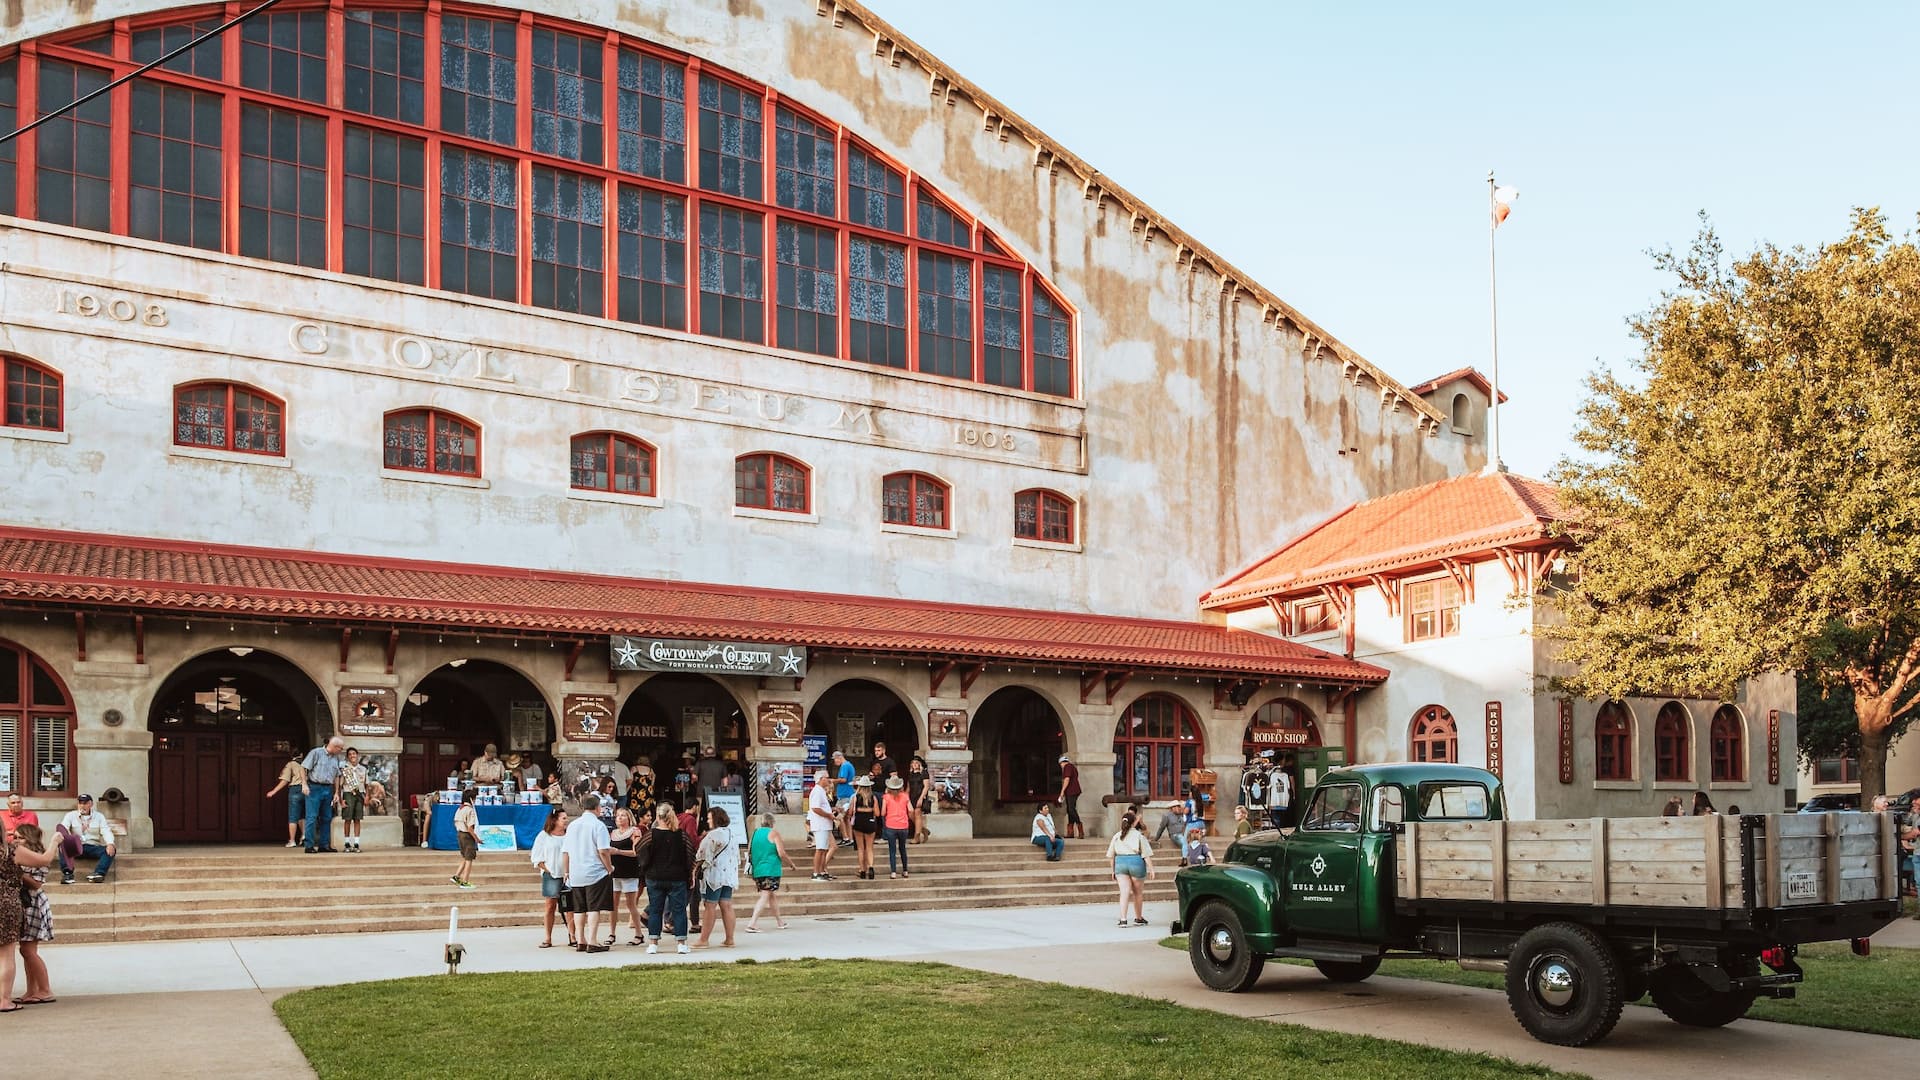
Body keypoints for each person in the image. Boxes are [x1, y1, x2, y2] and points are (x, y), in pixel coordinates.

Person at [637, 802, 696, 955]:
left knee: (655, 909)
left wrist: (646, 866)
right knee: (679, 910)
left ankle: (653, 943)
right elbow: (691, 854)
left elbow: (640, 850)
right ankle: (681, 943)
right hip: (677, 877)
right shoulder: (681, 834)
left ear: (658, 816)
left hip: (655, 876)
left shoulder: (651, 834)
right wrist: (690, 873)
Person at [558, 793, 614, 954]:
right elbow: (603, 850)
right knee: (593, 907)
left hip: (576, 872)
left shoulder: (573, 825)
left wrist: (566, 871)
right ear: (598, 808)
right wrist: (609, 868)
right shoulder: (598, 825)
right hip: (594, 871)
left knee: (579, 908)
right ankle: (593, 940)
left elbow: (566, 852)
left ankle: (580, 939)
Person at [12, 823, 57, 1006]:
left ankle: (45, 990)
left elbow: (37, 884)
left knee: (28, 950)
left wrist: (18, 873)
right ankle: (31, 990)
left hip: (33, 904)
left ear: (29, 838)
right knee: (26, 950)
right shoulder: (21, 855)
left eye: (19, 837)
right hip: (25, 903)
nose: (15, 840)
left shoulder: (38, 856)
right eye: (14, 836)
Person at [693, 806, 741, 948]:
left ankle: (704, 939)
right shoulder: (732, 834)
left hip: (715, 875)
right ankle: (730, 938)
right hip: (729, 874)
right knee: (726, 905)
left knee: (710, 905)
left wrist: (695, 867)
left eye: (709, 819)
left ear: (715, 819)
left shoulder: (713, 835)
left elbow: (702, 854)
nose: (708, 822)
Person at [745, 813, 794, 932]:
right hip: (770, 869)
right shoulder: (774, 833)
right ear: (772, 822)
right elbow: (781, 853)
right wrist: (791, 863)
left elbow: (749, 850)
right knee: (765, 895)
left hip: (758, 869)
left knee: (770, 895)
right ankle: (752, 923)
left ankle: (779, 921)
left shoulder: (755, 833)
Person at [530, 808, 572, 948]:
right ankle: (548, 937)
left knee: (569, 907)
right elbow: (537, 857)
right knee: (550, 906)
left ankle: (573, 935)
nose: (566, 821)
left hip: (568, 875)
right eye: (563, 818)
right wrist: (549, 870)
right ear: (555, 820)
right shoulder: (544, 836)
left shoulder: (569, 835)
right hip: (551, 875)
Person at [1106, 811, 1153, 927]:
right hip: (1136, 862)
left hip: (1120, 863)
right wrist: (1151, 869)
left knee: (1124, 892)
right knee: (1138, 893)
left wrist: (1113, 870)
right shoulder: (1138, 835)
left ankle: (1123, 919)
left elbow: (1111, 855)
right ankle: (1138, 918)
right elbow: (1145, 854)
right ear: (1134, 823)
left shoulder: (1117, 836)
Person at [300, 736, 346, 854]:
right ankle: (309, 845)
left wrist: (336, 792)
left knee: (326, 817)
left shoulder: (336, 758)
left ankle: (324, 844)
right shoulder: (316, 753)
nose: (341, 751)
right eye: (340, 748)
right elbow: (303, 768)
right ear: (335, 746)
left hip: (328, 788)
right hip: (314, 787)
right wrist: (304, 784)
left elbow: (337, 775)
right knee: (312, 817)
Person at [55, 794, 115, 884]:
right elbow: (63, 829)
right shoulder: (70, 815)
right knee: (62, 846)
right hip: (76, 847)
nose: (82, 806)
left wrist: (110, 843)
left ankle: (99, 874)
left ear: (91, 804)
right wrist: (65, 840)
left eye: (85, 803)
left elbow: (106, 830)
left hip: (93, 846)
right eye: (80, 803)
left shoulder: (99, 816)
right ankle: (68, 874)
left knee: (111, 849)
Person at [608, 808, 645, 946]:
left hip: (629, 870)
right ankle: (612, 933)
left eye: (623, 815)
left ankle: (638, 933)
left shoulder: (634, 832)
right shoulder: (613, 833)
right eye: (618, 816)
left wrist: (618, 851)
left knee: (631, 903)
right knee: (613, 904)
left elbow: (636, 852)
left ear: (629, 817)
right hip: (615, 871)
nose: (620, 818)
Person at [264, 751, 307, 849]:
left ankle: (292, 840)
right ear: (301, 755)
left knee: (293, 816)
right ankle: (304, 836)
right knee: (303, 815)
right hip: (306, 789)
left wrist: (274, 791)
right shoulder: (306, 764)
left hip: (295, 789)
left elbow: (285, 780)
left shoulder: (291, 764)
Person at [337, 748, 370, 853]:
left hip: (359, 795)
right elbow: (339, 786)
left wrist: (367, 797)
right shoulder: (344, 769)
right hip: (348, 794)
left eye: (354, 754)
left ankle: (356, 843)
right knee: (347, 819)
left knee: (357, 819)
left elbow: (366, 784)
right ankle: (347, 843)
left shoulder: (363, 769)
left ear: (357, 755)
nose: (352, 756)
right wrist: (341, 800)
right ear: (347, 757)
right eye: (350, 754)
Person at [880, 776, 913, 878]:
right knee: (902, 848)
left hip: (891, 825)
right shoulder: (905, 796)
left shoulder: (886, 797)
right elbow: (911, 809)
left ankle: (893, 872)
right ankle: (905, 870)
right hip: (903, 825)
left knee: (892, 850)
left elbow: (883, 812)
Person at [808, 769, 838, 880]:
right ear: (821, 779)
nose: (829, 780)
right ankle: (816, 872)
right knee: (820, 849)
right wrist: (828, 815)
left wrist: (831, 811)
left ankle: (821, 870)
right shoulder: (817, 791)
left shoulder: (821, 791)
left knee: (824, 849)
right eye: (827, 778)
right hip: (820, 824)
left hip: (825, 825)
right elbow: (815, 808)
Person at [849, 777, 879, 880]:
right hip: (870, 822)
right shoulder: (873, 797)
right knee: (869, 848)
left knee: (861, 848)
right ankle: (870, 867)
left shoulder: (855, 797)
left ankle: (862, 870)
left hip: (859, 822)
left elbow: (850, 812)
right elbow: (877, 813)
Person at [449, 788, 479, 890]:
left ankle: (457, 876)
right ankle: (465, 881)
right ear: (471, 799)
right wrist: (476, 838)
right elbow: (470, 827)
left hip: (459, 834)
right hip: (467, 836)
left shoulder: (459, 808)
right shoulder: (470, 810)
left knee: (464, 857)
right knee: (469, 858)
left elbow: (455, 822)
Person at [831, 750, 857, 847]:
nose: (834, 762)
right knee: (846, 819)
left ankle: (845, 838)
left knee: (838, 816)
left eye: (835, 760)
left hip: (844, 796)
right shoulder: (849, 765)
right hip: (848, 794)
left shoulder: (845, 766)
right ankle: (850, 839)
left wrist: (833, 780)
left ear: (839, 758)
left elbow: (843, 779)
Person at [1151, 799, 1189, 864]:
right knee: (1184, 841)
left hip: (1185, 834)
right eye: (1177, 806)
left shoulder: (1182, 814)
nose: (1178, 808)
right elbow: (1161, 828)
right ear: (1172, 808)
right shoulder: (1166, 816)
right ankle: (1184, 859)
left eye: (1179, 806)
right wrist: (1156, 838)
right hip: (1175, 835)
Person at [1057, 753, 1084, 840]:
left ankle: (1080, 830)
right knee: (1069, 809)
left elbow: (1067, 779)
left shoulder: (1067, 767)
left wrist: (1062, 792)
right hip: (1073, 791)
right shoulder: (1072, 767)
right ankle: (1070, 832)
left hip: (1072, 791)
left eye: (1060, 765)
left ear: (1062, 763)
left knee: (1071, 809)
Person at [906, 756, 931, 844]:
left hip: (920, 796)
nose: (915, 765)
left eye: (916, 763)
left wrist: (921, 798)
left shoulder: (924, 773)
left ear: (920, 764)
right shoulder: (911, 774)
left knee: (917, 815)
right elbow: (908, 787)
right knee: (911, 814)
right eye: (913, 763)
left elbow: (926, 786)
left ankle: (916, 837)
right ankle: (924, 830)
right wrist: (906, 798)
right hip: (912, 796)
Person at [1267, 760, 1293, 830]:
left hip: (1275, 801)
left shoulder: (1272, 775)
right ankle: (1281, 829)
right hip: (1283, 801)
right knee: (1282, 818)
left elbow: (1269, 787)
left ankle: (1277, 830)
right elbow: (1288, 787)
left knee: (1276, 819)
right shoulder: (1285, 775)